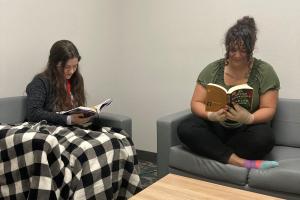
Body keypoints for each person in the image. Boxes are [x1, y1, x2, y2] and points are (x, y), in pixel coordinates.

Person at [178, 16, 280, 169]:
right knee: (186, 128)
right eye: (233, 50)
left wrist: (250, 117)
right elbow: (196, 102)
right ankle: (238, 161)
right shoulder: (212, 69)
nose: (237, 55)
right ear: (227, 48)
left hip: (244, 130)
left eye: (243, 50)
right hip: (216, 126)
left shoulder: (265, 71)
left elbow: (269, 109)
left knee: (265, 138)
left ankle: (213, 149)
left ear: (251, 49)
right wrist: (209, 115)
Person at [26, 40, 94, 127]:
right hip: (51, 129)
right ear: (54, 64)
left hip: (74, 129)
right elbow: (33, 113)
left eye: (75, 66)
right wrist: (68, 119)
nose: (72, 71)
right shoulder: (41, 81)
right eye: (67, 67)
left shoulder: (77, 79)